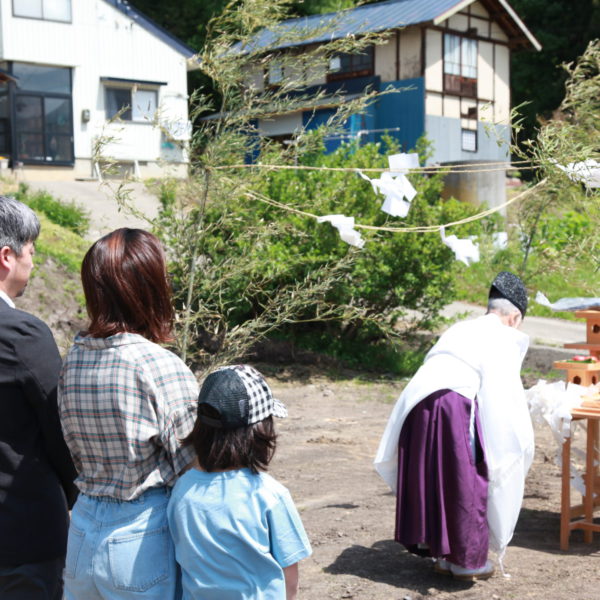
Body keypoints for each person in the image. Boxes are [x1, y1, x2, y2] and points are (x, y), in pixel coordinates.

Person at [58, 228, 199, 599]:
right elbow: (194, 466)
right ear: (149, 287)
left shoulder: (73, 359)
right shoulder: (157, 364)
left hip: (82, 529)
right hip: (141, 536)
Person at [374, 271, 534, 580]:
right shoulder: (502, 335)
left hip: (416, 402)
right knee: (467, 479)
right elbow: (502, 402)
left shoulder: (462, 327)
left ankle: (442, 555)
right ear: (514, 318)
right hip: (452, 404)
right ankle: (466, 561)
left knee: (433, 475)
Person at [167, 364, 312, 600]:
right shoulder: (268, 494)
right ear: (259, 432)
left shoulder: (183, 488)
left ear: (201, 429)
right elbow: (289, 577)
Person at [0, 196, 78, 599]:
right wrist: (77, 494)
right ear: (7, 257)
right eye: (31, 251)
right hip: (22, 533)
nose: (34, 262)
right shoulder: (19, 334)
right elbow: (61, 427)